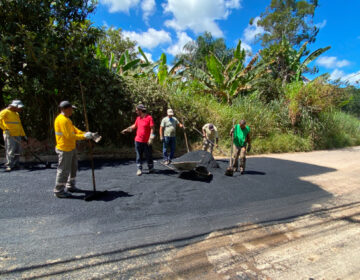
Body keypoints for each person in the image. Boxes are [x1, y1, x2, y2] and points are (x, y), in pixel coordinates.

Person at [54, 101, 98, 198]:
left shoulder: (67, 119)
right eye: (71, 109)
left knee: (73, 167)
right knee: (64, 170)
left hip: (71, 148)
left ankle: (70, 185)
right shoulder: (62, 120)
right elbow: (69, 136)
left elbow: (74, 130)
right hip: (64, 149)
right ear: (64, 109)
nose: (72, 111)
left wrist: (85, 133)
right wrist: (83, 137)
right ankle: (59, 191)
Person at [121, 104, 155, 176]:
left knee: (148, 155)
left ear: (140, 110)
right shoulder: (138, 118)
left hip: (147, 141)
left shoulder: (149, 118)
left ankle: (151, 168)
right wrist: (126, 129)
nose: (136, 112)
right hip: (138, 141)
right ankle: (139, 169)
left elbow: (152, 128)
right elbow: (134, 126)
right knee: (139, 155)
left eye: (137, 110)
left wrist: (151, 138)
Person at [0, 100, 27, 171]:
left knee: (17, 150)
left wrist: (23, 135)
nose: (20, 109)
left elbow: (19, 125)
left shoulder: (16, 114)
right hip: (9, 135)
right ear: (14, 106)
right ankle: (9, 165)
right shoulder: (5, 112)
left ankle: (16, 164)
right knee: (10, 150)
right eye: (19, 108)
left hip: (17, 134)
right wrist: (5, 129)